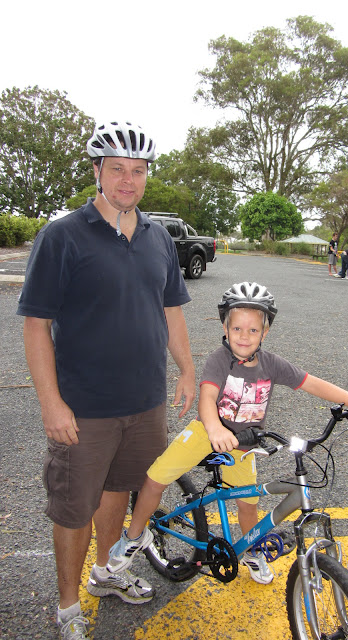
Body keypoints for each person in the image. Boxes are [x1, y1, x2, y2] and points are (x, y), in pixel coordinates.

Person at [17, 121, 196, 640]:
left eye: (137, 171)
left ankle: (105, 574)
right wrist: (51, 404)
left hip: (144, 401)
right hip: (84, 406)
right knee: (74, 506)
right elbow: (35, 325)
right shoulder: (62, 236)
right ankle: (68, 607)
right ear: (97, 170)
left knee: (120, 490)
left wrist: (186, 369)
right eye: (117, 168)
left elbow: (171, 311)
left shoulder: (158, 237)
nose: (127, 180)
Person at [106, 282, 348, 589]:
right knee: (155, 478)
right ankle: (134, 536)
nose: (244, 336)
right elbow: (208, 398)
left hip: (245, 443)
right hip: (206, 432)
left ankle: (251, 551)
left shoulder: (271, 364)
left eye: (252, 330)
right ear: (225, 328)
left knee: (248, 504)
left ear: (265, 333)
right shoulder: (219, 361)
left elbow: (310, 382)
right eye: (236, 329)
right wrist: (214, 428)